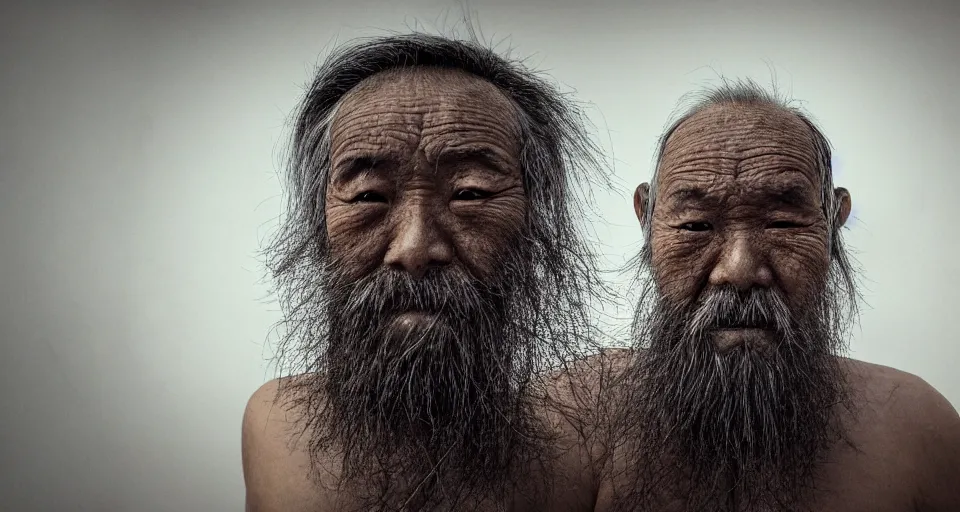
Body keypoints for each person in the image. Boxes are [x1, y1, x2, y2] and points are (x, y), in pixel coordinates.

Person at [241, 32, 612, 512]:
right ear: (320, 225)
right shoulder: (275, 428)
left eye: (471, 193)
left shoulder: (591, 440)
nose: (414, 249)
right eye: (369, 196)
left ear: (535, 227)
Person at [597, 79, 960, 512]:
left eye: (782, 225)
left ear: (834, 221)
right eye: (696, 225)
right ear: (646, 218)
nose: (739, 270)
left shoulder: (915, 430)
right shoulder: (576, 425)